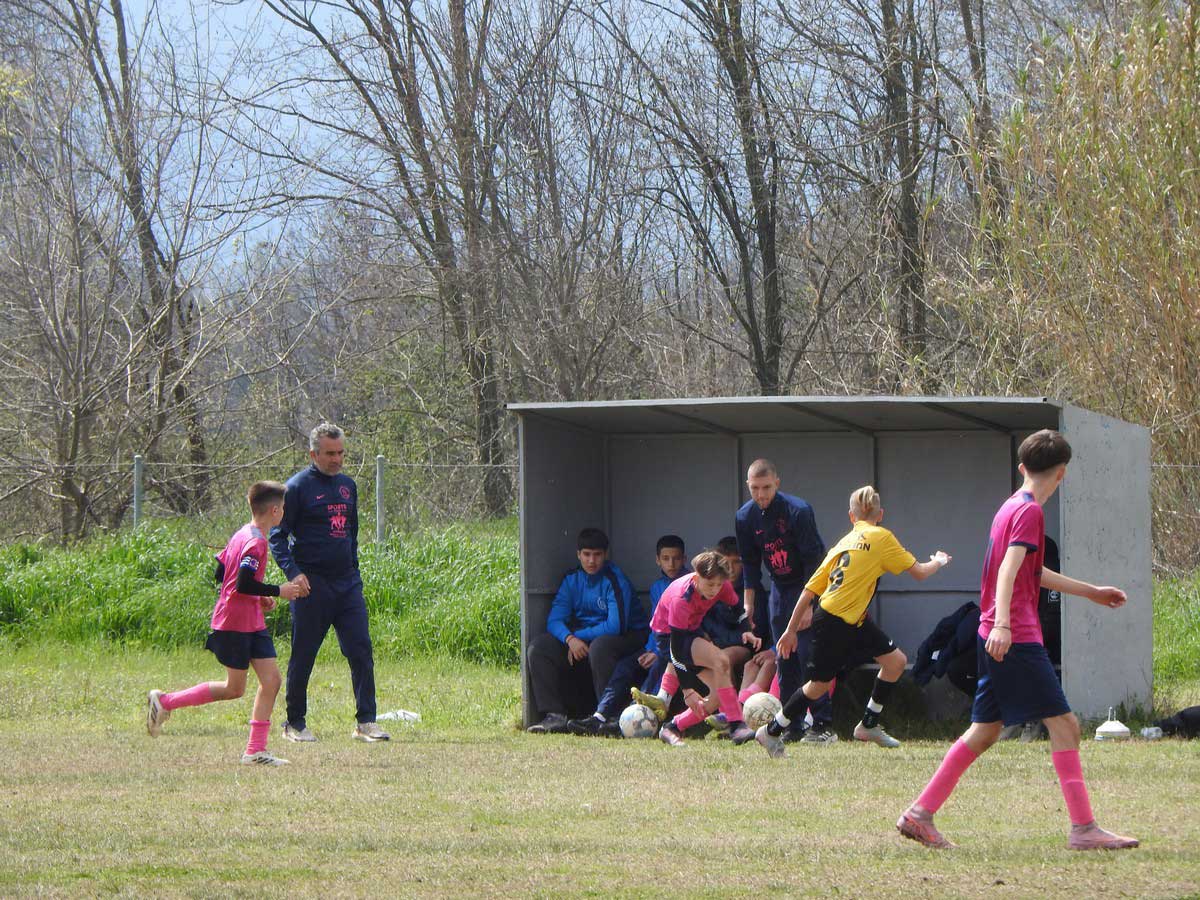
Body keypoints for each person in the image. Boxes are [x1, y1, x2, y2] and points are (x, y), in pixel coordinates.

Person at [897, 429, 1138, 852]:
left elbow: (1032, 571)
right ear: (1061, 473)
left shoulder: (1010, 506)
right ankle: (1084, 829)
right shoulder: (1030, 513)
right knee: (1065, 725)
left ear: (1023, 467)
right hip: (1015, 637)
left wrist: (1091, 592)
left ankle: (919, 814)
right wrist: (1006, 625)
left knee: (984, 731)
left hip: (992, 633)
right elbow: (1008, 572)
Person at [755, 486, 951, 757]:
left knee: (895, 662)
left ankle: (868, 725)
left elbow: (808, 591)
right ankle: (771, 731)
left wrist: (790, 630)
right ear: (880, 514)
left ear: (851, 516)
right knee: (818, 686)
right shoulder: (882, 537)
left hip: (849, 618)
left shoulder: (843, 543)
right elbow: (920, 572)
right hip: (835, 621)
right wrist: (938, 561)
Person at [146, 481, 307, 766]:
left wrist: (258, 598)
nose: (284, 512)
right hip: (234, 623)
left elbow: (222, 573)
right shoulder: (256, 542)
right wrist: (276, 591)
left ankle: (255, 751)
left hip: (252, 621)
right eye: (283, 508)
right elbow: (242, 583)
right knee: (234, 688)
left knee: (271, 681)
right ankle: (165, 702)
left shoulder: (242, 533)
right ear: (274, 510)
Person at [270, 423, 389, 743]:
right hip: (312, 586)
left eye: (341, 453)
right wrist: (293, 573)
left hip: (347, 584)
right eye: (330, 454)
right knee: (304, 654)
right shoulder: (296, 488)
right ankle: (295, 723)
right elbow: (277, 537)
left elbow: (352, 533)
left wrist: (354, 572)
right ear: (314, 454)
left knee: (360, 650)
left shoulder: (348, 486)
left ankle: (366, 722)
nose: (337, 459)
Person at [735, 459, 834, 743]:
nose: (761, 494)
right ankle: (792, 724)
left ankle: (823, 724)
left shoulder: (798, 510)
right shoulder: (744, 517)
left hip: (808, 586)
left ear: (777, 483)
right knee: (784, 657)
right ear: (748, 486)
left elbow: (815, 561)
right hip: (779, 589)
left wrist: (810, 605)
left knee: (807, 655)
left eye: (766, 487)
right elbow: (750, 564)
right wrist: (748, 604)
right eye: (755, 488)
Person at [527, 528, 649, 734]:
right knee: (539, 647)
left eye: (597, 555)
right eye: (587, 554)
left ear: (606, 555)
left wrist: (578, 637)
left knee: (600, 646)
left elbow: (615, 626)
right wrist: (569, 639)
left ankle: (607, 716)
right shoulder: (572, 580)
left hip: (628, 637)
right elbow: (554, 620)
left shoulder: (615, 580)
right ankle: (555, 716)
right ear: (578, 555)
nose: (592, 561)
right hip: (583, 638)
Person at [655, 550, 761, 747]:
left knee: (718, 696)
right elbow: (676, 651)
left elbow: (738, 609)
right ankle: (736, 725)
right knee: (721, 660)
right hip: (669, 637)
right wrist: (687, 690)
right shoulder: (681, 599)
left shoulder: (721, 585)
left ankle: (672, 727)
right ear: (696, 577)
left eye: (719, 585)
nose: (715, 590)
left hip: (691, 630)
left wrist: (746, 630)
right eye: (710, 584)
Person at [629, 535, 689, 720]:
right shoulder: (657, 587)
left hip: (682, 643)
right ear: (657, 560)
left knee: (661, 661)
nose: (671, 564)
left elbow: (684, 626)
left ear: (684, 559)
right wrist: (650, 649)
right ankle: (603, 714)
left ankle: (646, 711)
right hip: (660, 644)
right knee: (626, 666)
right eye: (665, 558)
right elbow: (657, 623)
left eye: (676, 558)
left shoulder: (690, 584)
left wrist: (657, 651)